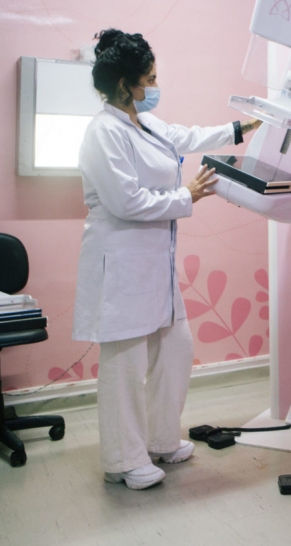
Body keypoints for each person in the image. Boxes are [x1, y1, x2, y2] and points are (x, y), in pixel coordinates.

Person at [72, 28, 260, 490]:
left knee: (175, 349)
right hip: (121, 263)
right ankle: (123, 460)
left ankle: (159, 439)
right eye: (150, 79)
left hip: (155, 262)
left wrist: (244, 128)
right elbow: (126, 201)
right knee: (125, 365)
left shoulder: (145, 123)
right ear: (125, 85)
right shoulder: (103, 133)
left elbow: (186, 136)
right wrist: (186, 195)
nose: (156, 86)